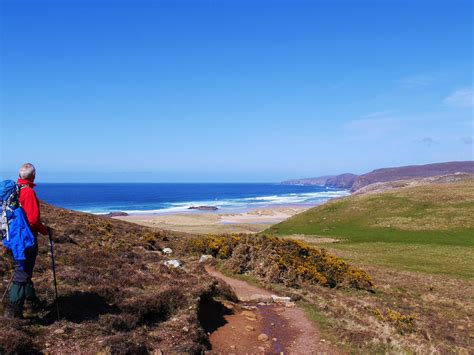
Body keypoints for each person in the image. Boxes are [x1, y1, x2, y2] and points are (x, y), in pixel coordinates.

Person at [5, 163, 50, 318]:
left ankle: (31, 301)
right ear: (33, 175)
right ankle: (13, 311)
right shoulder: (28, 192)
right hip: (26, 239)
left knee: (23, 270)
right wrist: (45, 230)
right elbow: (33, 220)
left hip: (12, 236)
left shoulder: (14, 190)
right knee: (21, 273)